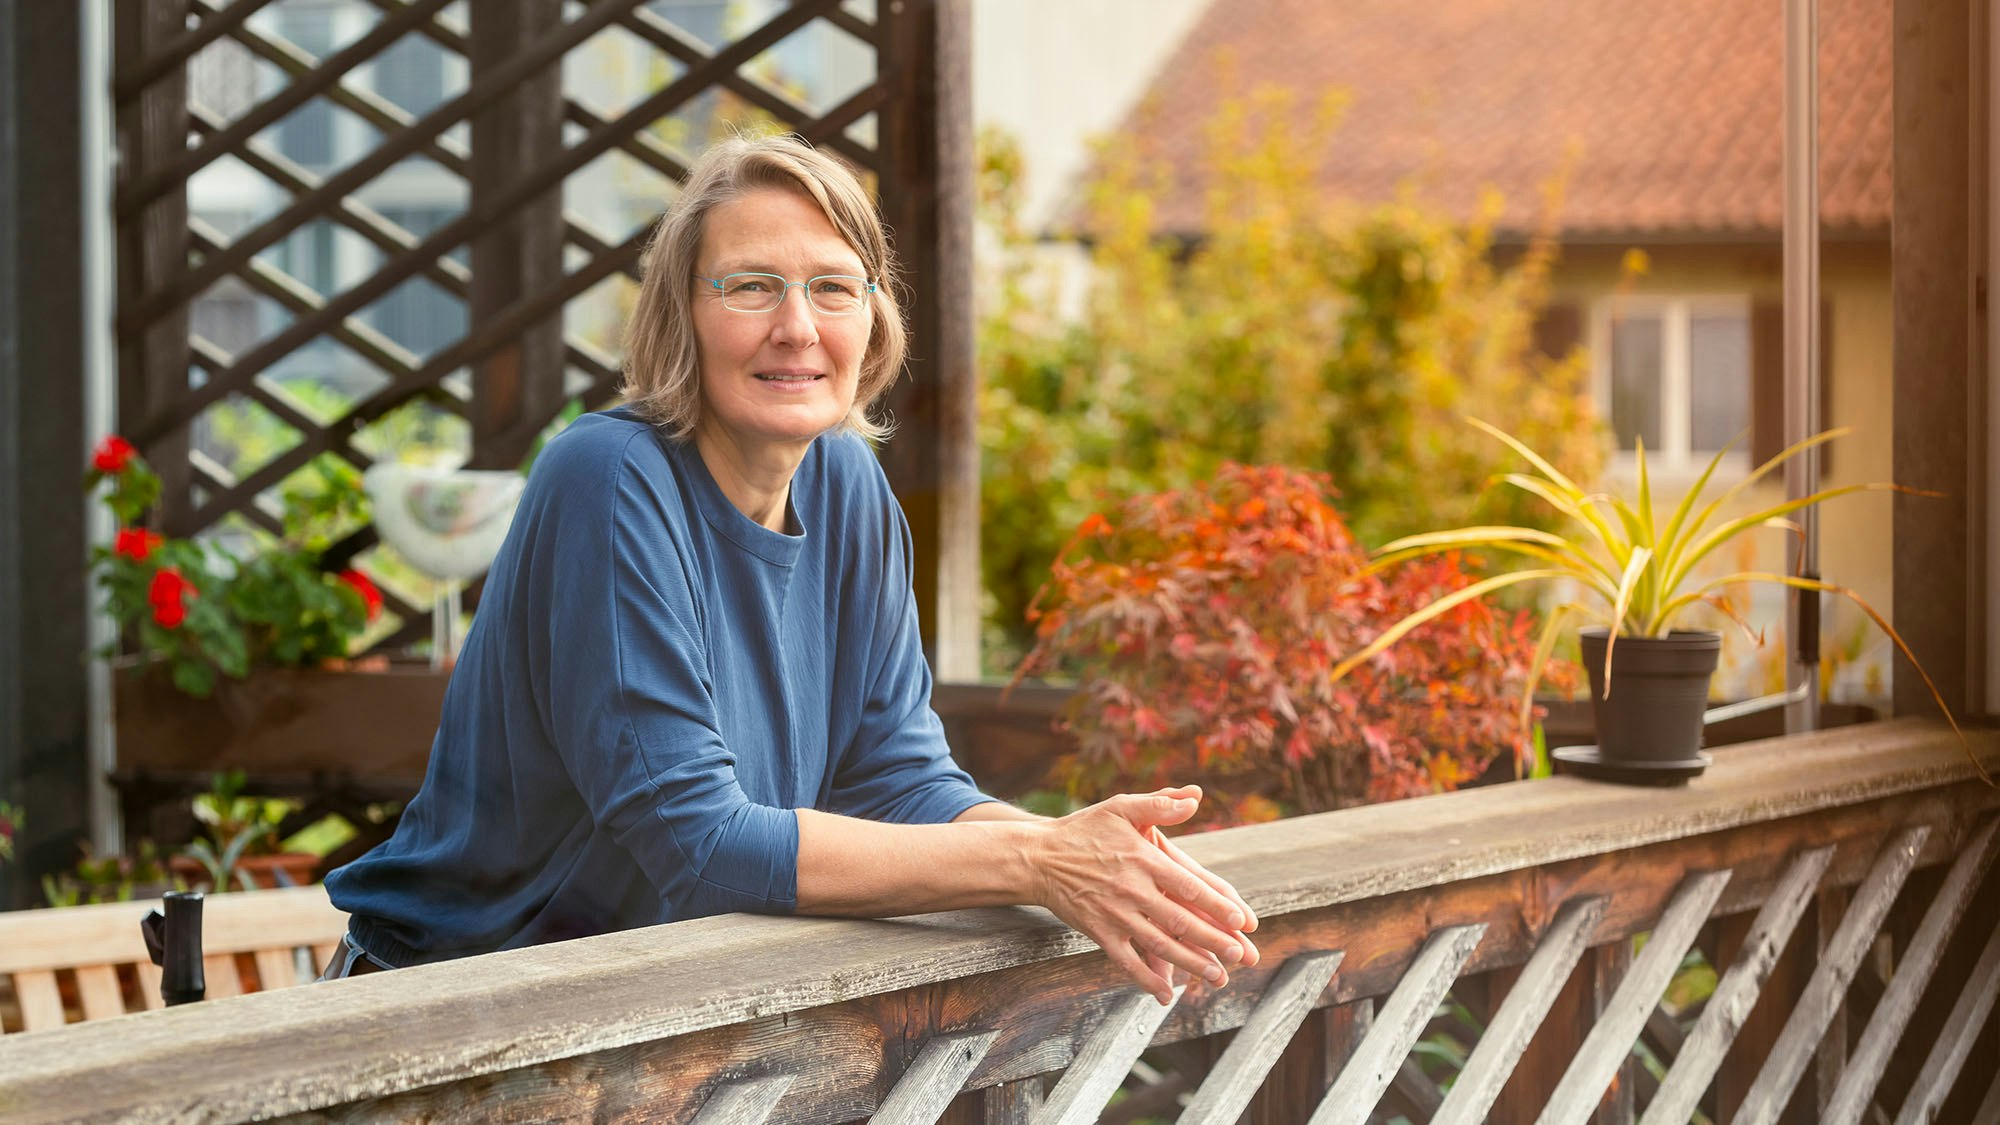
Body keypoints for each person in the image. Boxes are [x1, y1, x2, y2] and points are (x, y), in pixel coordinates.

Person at [323, 134, 1257, 1004]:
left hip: (641, 1013)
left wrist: (1095, 856)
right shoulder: (611, 480)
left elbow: (900, 780)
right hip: (444, 1015)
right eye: (751, 286)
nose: (797, 327)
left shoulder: (848, 484)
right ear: (680, 315)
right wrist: (1038, 862)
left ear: (874, 317)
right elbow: (700, 844)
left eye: (833, 288)